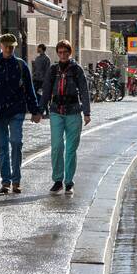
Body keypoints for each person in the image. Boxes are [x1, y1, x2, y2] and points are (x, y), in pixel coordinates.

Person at [0, 33, 42, 194]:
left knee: (16, 143)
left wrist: (35, 110)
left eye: (12, 46)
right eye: (6, 46)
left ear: (15, 47)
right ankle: (5, 181)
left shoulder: (21, 65)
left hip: (16, 111)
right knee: (2, 148)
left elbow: (30, 90)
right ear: (1, 46)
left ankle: (16, 180)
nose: (9, 49)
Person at [41, 41, 91, 196]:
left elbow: (84, 91)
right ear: (57, 53)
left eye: (65, 52)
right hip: (56, 111)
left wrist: (87, 112)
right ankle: (57, 181)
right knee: (56, 147)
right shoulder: (53, 70)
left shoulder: (76, 70)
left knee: (70, 149)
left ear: (70, 52)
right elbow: (47, 90)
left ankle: (69, 182)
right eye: (60, 52)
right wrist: (38, 110)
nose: (62, 55)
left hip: (74, 112)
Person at [31, 43, 51, 110]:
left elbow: (47, 70)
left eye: (38, 48)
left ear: (42, 49)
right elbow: (35, 69)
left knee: (43, 95)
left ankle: (46, 109)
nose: (37, 49)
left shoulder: (46, 58)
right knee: (35, 94)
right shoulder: (37, 58)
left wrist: (46, 81)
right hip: (36, 79)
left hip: (42, 80)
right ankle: (39, 108)